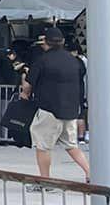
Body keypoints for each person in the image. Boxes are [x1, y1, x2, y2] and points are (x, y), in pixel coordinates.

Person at [26, 26, 89, 180]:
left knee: (43, 147)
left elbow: (28, 83)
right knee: (72, 145)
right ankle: (90, 173)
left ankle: (46, 180)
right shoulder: (74, 61)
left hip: (49, 109)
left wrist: (24, 94)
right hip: (71, 110)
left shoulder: (42, 60)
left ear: (45, 42)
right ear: (63, 41)